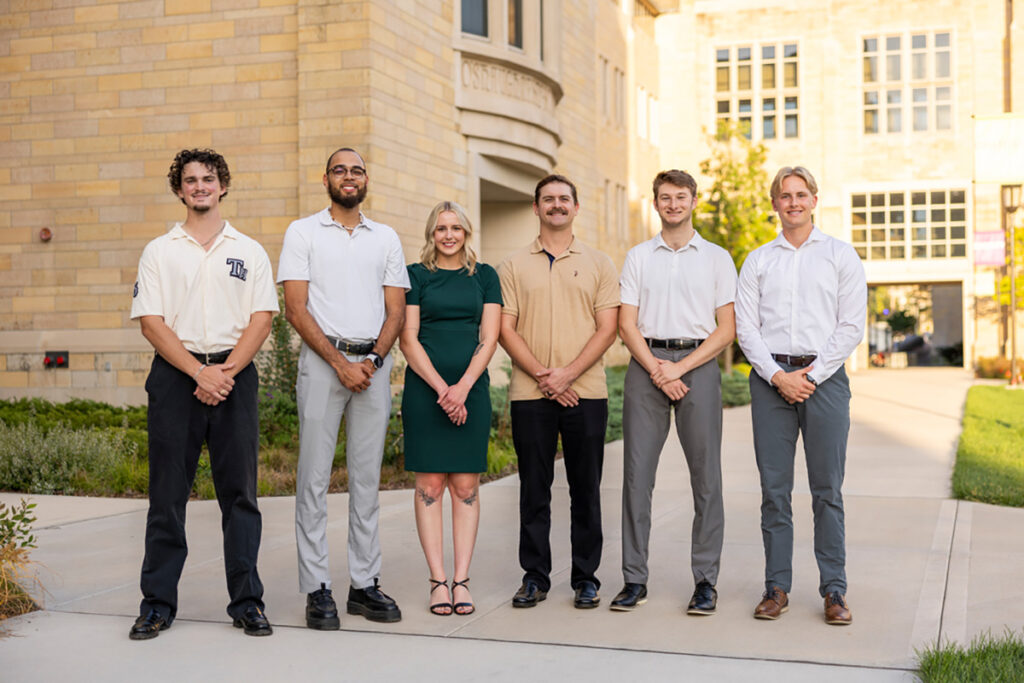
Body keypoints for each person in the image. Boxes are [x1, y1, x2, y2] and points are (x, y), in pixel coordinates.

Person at [129, 148, 277, 640]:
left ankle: (247, 602)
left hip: (235, 376)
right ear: (179, 190)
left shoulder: (249, 250)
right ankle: (157, 604)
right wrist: (198, 372)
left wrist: (225, 372)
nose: (199, 186)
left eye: (208, 179)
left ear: (222, 186)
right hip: (176, 376)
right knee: (167, 497)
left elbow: (262, 318)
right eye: (190, 180)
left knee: (241, 496)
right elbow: (152, 322)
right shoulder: (159, 250)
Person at [278, 147, 409, 628]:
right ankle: (317, 588)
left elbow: (395, 311)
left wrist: (371, 360)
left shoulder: (386, 237)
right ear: (326, 179)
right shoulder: (302, 232)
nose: (348, 177)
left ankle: (364, 583)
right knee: (313, 479)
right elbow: (295, 308)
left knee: (367, 480)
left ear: (366, 178)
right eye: (339, 170)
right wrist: (339, 362)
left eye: (356, 170)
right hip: (321, 364)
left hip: (372, 367)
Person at [735, 166, 867, 626]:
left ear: (814, 199)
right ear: (774, 203)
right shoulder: (758, 260)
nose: (793, 202)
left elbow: (851, 323)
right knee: (775, 491)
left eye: (801, 194)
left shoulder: (840, 255)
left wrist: (811, 375)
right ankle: (777, 586)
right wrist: (777, 376)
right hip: (771, 380)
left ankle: (834, 589)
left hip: (825, 380)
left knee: (827, 490)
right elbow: (745, 327)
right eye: (784, 195)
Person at [613, 170, 736, 614]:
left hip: (697, 366)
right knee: (636, 477)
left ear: (693, 201)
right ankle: (633, 579)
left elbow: (727, 329)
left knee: (706, 479)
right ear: (656, 202)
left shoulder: (718, 258)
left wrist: (678, 369)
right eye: (664, 197)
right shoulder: (639, 257)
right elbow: (627, 324)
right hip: (647, 364)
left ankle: (705, 581)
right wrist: (657, 370)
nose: (672, 204)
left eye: (680, 197)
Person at [498, 174, 619, 610]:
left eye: (564, 198)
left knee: (585, 488)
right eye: (547, 199)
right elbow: (504, 330)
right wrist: (545, 377)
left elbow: (608, 329)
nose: (556, 205)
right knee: (534, 489)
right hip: (531, 395)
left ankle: (586, 577)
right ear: (535, 208)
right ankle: (535, 576)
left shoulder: (599, 263)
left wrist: (566, 375)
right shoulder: (512, 266)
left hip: (585, 392)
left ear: (576, 207)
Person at [399, 201, 502, 616]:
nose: (448, 235)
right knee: (429, 488)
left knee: (465, 486)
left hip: (471, 389)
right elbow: (408, 338)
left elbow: (489, 337)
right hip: (426, 391)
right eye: (441, 228)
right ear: (431, 233)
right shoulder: (415, 276)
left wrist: (462, 389)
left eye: (455, 228)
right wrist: (444, 390)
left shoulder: (485, 276)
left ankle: (462, 581)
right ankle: (437, 582)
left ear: (466, 232)